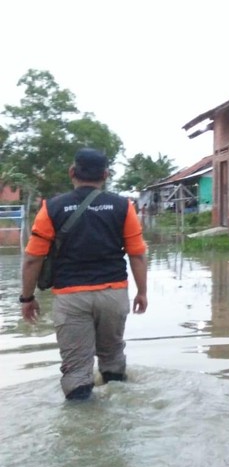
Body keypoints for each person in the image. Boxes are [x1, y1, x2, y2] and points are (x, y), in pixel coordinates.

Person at [19, 148, 148, 401]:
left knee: (77, 370)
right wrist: (142, 292)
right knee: (112, 358)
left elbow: (33, 258)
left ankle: (82, 428)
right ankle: (118, 409)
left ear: (72, 172)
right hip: (113, 294)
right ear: (106, 174)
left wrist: (27, 298)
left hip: (71, 297)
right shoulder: (123, 207)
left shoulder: (51, 208)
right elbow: (137, 255)